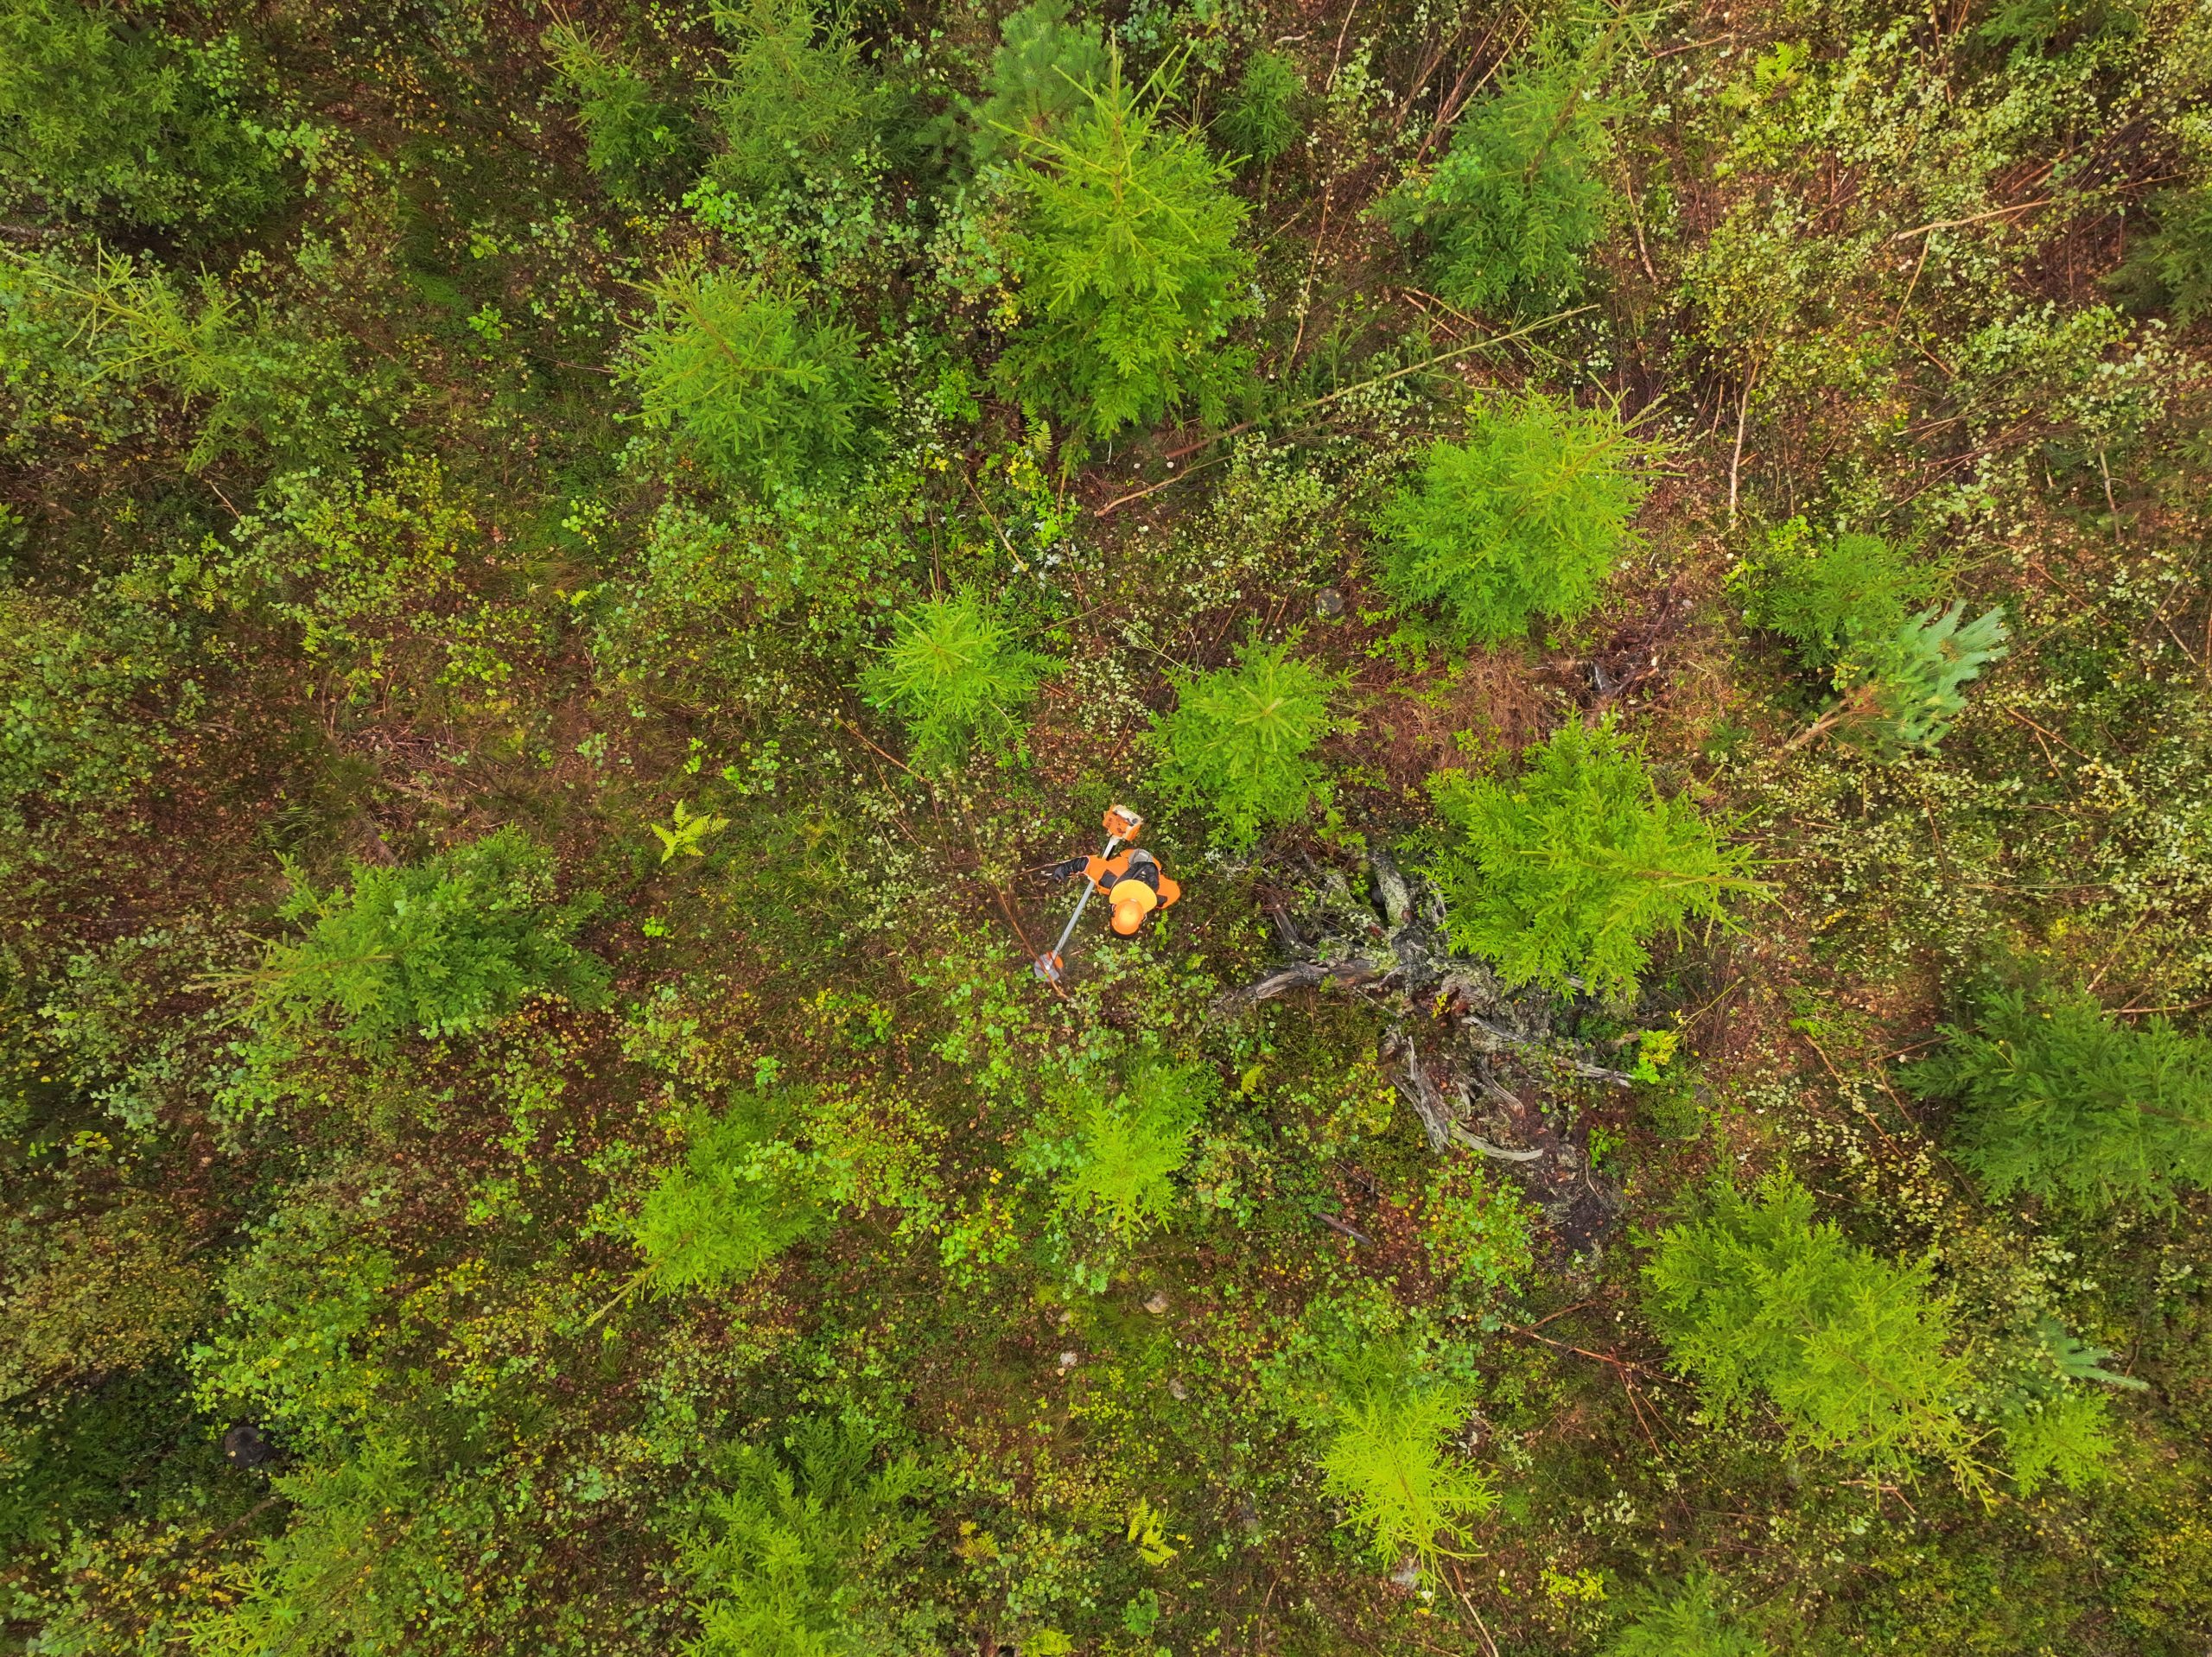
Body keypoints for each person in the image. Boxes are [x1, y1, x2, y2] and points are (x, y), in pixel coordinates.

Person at [1045, 845, 1183, 936]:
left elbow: (1175, 890)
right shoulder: (1108, 878)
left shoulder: (1163, 898)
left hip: (1144, 860)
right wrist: (1062, 870)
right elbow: (1085, 864)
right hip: (1129, 859)